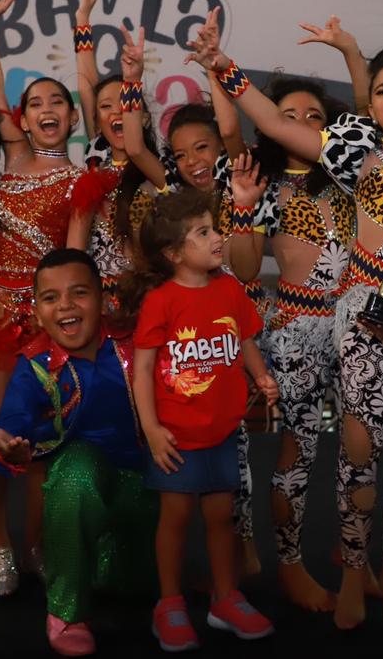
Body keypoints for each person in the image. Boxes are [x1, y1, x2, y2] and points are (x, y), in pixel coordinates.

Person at [188, 11, 383, 633]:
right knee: (350, 448)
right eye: (381, 92)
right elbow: (264, 124)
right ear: (367, 109)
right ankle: (337, 566)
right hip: (341, 317)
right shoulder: (343, 159)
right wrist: (222, 66)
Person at [0, 249, 157, 656]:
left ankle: (116, 575)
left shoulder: (134, 342)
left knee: (132, 584)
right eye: (51, 298)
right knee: (75, 470)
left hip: (143, 493)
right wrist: (12, 450)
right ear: (38, 312)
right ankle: (66, 613)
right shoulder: (35, 364)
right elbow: (13, 424)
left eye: (79, 293)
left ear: (103, 299)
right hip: (80, 493)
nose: (66, 306)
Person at [120, 188, 279, 652]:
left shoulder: (229, 288)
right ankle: (168, 603)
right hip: (176, 437)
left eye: (215, 228)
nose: (217, 238)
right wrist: (150, 429)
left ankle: (224, 598)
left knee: (221, 516)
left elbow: (245, 337)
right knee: (175, 517)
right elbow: (143, 369)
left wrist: (262, 375)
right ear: (172, 253)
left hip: (223, 432)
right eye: (203, 232)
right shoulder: (162, 301)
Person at [221, 76, 356, 612]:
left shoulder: (350, 182)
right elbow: (247, 268)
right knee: (299, 451)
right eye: (289, 113)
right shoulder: (267, 185)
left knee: (359, 450)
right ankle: (291, 565)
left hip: (358, 327)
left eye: (314, 114)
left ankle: (355, 558)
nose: (301, 121)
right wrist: (243, 208)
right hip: (297, 328)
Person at [0, 0, 89, 594]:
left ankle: (39, 544)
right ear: (23, 115)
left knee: (42, 442)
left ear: (71, 119)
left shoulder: (79, 182)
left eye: (57, 103)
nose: (45, 109)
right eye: (34, 101)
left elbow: (73, 262)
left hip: (47, 325)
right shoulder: (10, 157)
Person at [71, 0, 168, 309]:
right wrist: (82, 17)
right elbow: (86, 80)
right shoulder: (95, 154)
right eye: (105, 107)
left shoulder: (155, 169)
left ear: (141, 117)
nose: (117, 113)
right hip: (97, 300)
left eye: (125, 105)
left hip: (145, 297)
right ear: (96, 120)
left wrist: (133, 79)